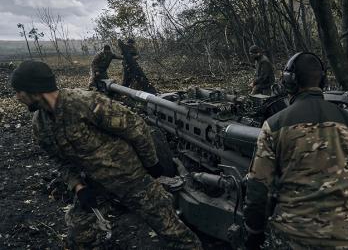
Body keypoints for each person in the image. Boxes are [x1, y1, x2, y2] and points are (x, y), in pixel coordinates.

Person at [10, 61, 203, 250]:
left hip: (132, 179)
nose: (17, 97)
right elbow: (58, 160)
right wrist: (78, 187)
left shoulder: (86, 102)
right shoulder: (40, 125)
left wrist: (152, 165)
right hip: (94, 186)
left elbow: (136, 128)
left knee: (175, 234)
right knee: (78, 233)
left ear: (35, 90)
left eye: (19, 91)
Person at [243, 52, 348, 250]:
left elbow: (258, 190)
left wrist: (253, 235)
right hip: (345, 238)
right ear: (322, 81)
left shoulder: (274, 125)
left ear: (289, 82)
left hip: (293, 237)